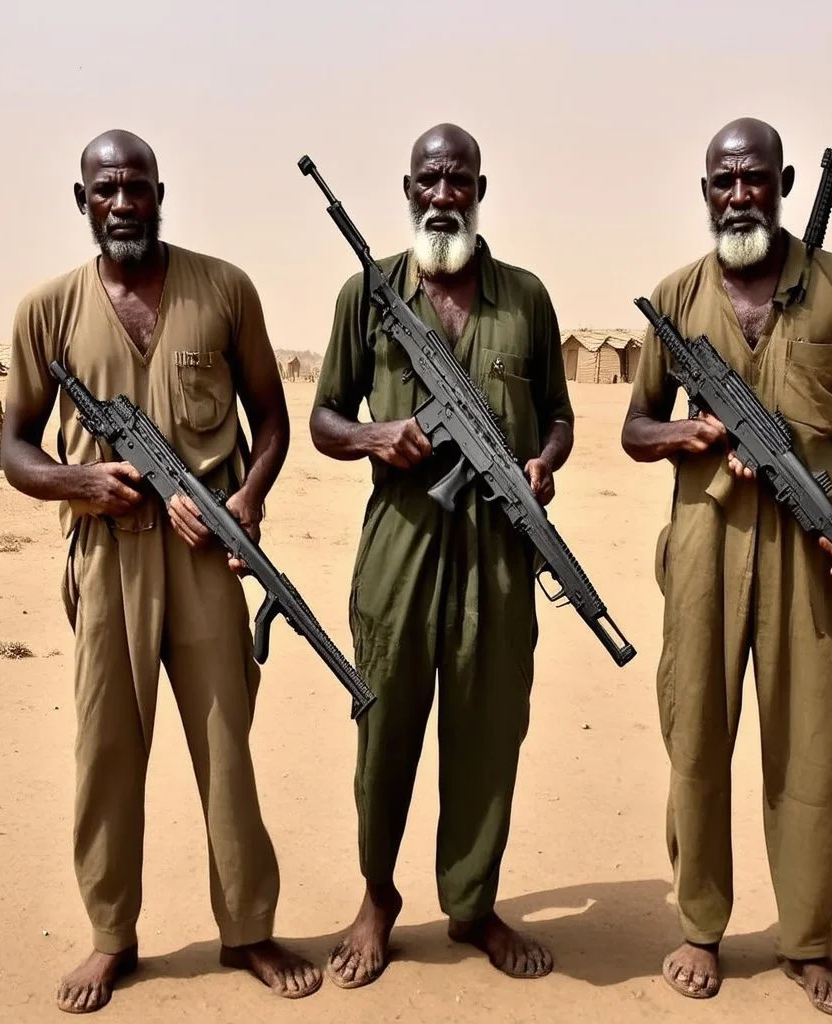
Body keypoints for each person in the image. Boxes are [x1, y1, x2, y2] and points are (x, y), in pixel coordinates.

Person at [1, 129, 322, 1013]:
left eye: (135, 187)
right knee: (106, 751)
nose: (121, 204)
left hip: (206, 556)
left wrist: (247, 501)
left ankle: (248, 930)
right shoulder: (46, 311)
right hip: (105, 560)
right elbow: (14, 448)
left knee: (227, 749)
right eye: (104, 190)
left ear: (159, 192)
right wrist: (82, 482)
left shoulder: (225, 289)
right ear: (82, 201)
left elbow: (274, 425)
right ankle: (112, 937)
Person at [621, 117, 832, 1018]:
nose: (738, 194)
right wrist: (694, 432)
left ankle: (809, 941)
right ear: (704, 190)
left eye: (754, 179)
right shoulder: (676, 296)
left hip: (812, 554)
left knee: (812, 750)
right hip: (705, 551)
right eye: (722, 181)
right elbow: (635, 426)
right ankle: (700, 925)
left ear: (783, 182)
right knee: (696, 739)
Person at [310, 123, 574, 988]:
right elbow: (323, 420)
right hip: (399, 546)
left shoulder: (525, 299)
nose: (444, 195)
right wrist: (375, 435)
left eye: (459, 180)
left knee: (488, 730)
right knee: (383, 724)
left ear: (480, 191)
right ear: (408, 188)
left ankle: (471, 906)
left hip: (498, 552)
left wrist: (542, 461)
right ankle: (377, 897)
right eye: (430, 180)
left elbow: (561, 416)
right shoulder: (368, 293)